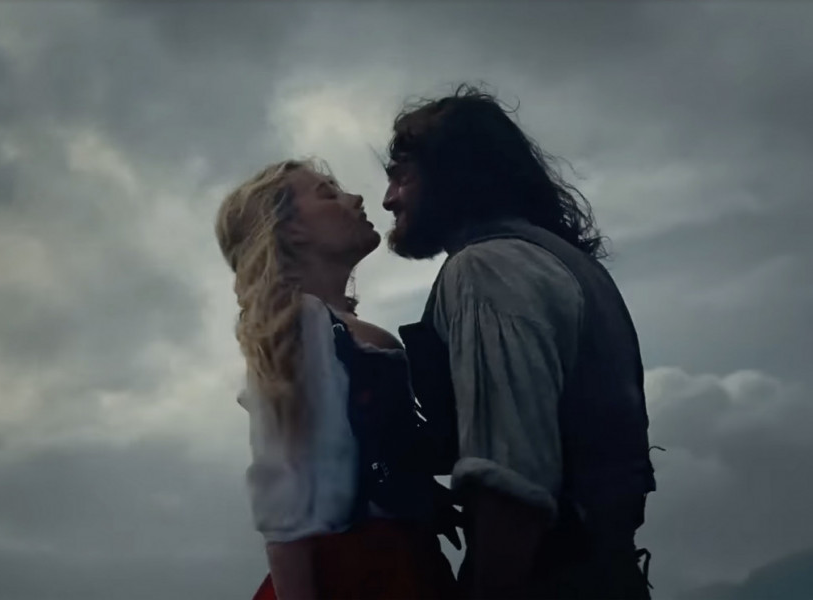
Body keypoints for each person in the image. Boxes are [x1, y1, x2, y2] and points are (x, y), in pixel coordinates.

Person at [383, 85, 657, 599]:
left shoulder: (486, 269)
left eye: (402, 177)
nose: (389, 199)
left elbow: (510, 482)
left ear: (451, 174)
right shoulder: (560, 260)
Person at [216, 159, 460, 600]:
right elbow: (283, 502)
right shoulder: (301, 329)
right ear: (291, 231)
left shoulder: (334, 333)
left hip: (402, 563)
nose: (357, 198)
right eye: (328, 193)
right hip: (353, 574)